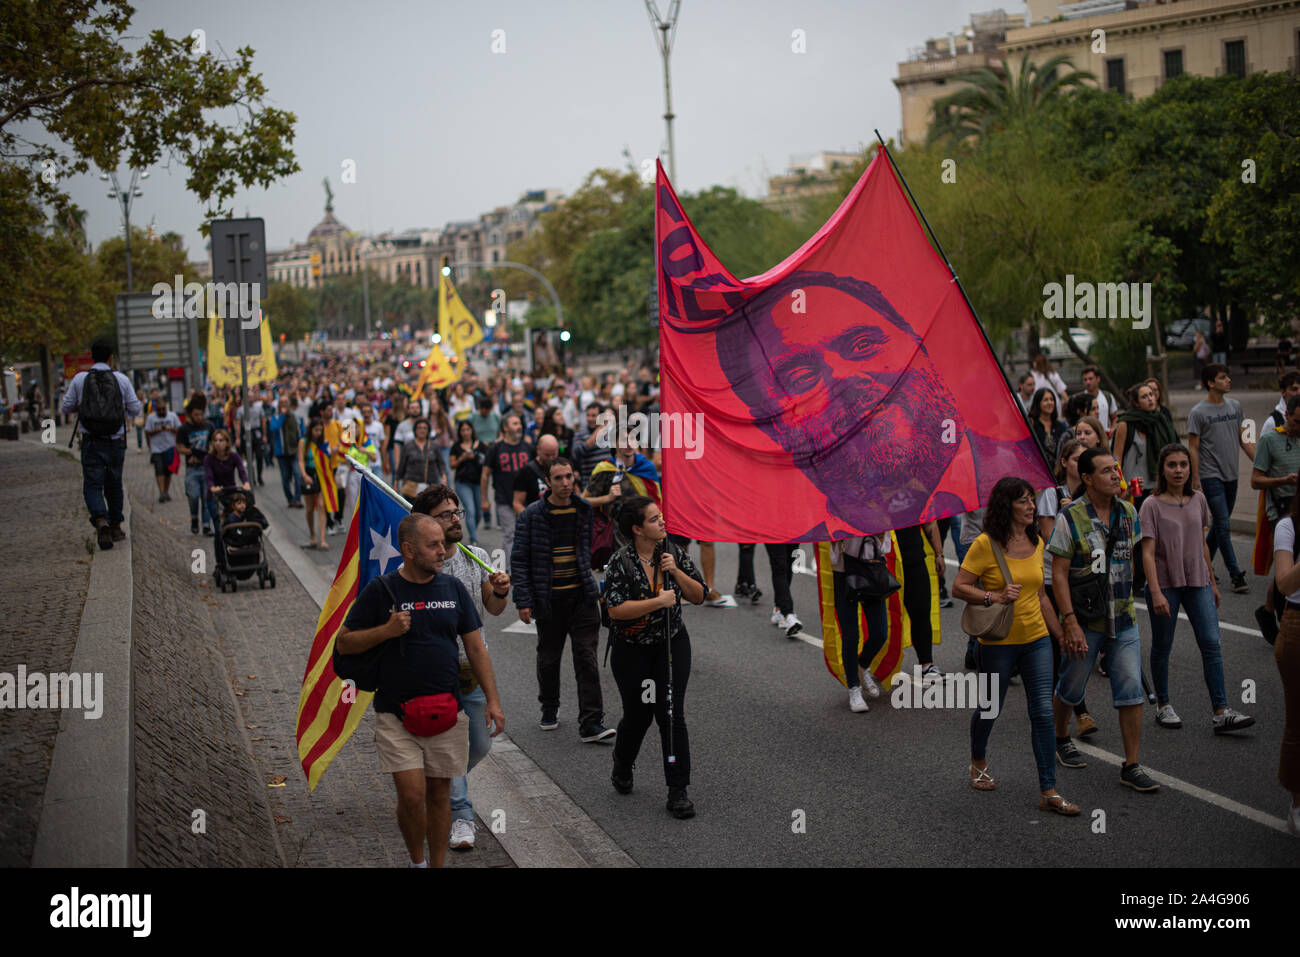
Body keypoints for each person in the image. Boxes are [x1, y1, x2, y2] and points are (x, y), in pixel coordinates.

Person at [713, 272, 1045, 537]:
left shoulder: (1022, 473)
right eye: (801, 377)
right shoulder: (805, 534)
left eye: (863, 344)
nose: (844, 377)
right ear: (776, 428)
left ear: (919, 346)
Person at [335, 513, 504, 868]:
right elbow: (345, 643)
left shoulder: (453, 589)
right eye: (434, 545)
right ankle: (417, 861)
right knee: (412, 796)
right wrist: (386, 630)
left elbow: (475, 648)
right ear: (409, 550)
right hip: (396, 713)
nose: (444, 551)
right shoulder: (381, 590)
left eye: (443, 543)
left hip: (447, 711)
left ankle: (437, 864)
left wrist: (492, 700)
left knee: (440, 796)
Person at [954, 477, 1076, 815]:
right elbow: (959, 587)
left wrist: (1061, 634)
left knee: (1042, 711)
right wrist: (992, 595)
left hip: (1036, 639)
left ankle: (1048, 790)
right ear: (1007, 506)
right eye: (1023, 501)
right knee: (991, 709)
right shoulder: (985, 544)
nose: (1031, 507)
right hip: (997, 643)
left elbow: (1040, 596)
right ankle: (978, 759)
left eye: (1032, 501)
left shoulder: (1037, 541)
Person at [1048, 448, 1160, 792]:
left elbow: (1143, 554)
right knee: (1071, 686)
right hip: (1086, 619)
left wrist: (1155, 589)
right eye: (1107, 471)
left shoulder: (1128, 512)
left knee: (1130, 691)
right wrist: (1069, 622)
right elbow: (1060, 574)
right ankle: (1059, 737)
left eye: (1116, 469)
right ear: (1086, 478)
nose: (1116, 475)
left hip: (1124, 618)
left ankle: (1132, 764)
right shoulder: (1070, 518)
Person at [410, 486, 512, 852]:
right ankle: (462, 816)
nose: (456, 518)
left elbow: (494, 610)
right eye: (446, 514)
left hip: (473, 672)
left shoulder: (476, 556)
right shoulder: (422, 566)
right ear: (426, 524)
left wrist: (499, 591)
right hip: (436, 676)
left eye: (457, 512)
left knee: (480, 744)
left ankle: (438, 785)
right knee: (450, 750)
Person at [1141, 443, 1254, 734]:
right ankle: (1163, 705)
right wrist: (1154, 592)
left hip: (1198, 582)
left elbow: (1202, 543)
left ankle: (1221, 711)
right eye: (1172, 465)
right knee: (1162, 646)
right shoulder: (1151, 505)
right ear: (1163, 469)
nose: (1178, 470)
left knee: (1211, 643)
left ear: (1190, 468)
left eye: (1183, 465)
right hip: (1166, 584)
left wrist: (1213, 584)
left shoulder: (1199, 500)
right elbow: (1147, 553)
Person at [604, 496, 706, 818]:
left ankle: (678, 790)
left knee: (670, 714)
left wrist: (676, 572)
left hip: (671, 644)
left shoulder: (672, 552)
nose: (662, 523)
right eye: (653, 520)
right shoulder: (620, 561)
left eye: (661, 517)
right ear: (637, 529)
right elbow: (615, 610)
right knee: (639, 714)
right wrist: (657, 602)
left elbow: (699, 595)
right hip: (632, 650)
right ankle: (622, 762)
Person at [511, 456, 614, 742]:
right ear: (548, 482)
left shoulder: (583, 508)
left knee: (587, 657)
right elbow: (519, 559)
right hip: (549, 599)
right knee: (548, 658)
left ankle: (592, 722)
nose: (566, 483)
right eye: (558, 478)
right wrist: (523, 600)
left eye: (569, 476)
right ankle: (549, 706)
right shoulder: (532, 514)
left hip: (582, 596)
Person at [1036, 438, 1098, 737]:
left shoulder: (1092, 493)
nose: (1082, 463)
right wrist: (1068, 513)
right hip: (1053, 578)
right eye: (1077, 458)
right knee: (1060, 644)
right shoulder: (1052, 493)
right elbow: (1051, 539)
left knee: (1079, 644)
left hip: (1084, 579)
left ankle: (1066, 705)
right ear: (1064, 462)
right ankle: (1077, 711)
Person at [61, 340, 142, 549]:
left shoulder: (80, 379)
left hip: (91, 441)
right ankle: (115, 525)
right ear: (111, 358)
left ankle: (100, 519)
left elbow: (66, 407)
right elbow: (135, 408)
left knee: (93, 483)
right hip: (115, 441)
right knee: (114, 483)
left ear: (91, 357)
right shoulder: (121, 379)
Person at [1188, 363, 1255, 594]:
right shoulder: (1198, 412)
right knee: (1224, 525)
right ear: (1210, 383)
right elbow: (1193, 448)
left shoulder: (1236, 406)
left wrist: (1262, 464)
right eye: (1223, 377)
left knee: (1219, 524)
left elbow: (1245, 439)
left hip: (1232, 474)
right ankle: (1236, 574)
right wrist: (1195, 480)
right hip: (1210, 475)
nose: (1229, 380)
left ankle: (1201, 563)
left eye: (1228, 376)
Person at [1250, 393, 1300, 642]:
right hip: (1281, 511)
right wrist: (1284, 480)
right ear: (1287, 416)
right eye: (1296, 422)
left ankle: (1268, 610)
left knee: (1291, 570)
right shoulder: (1270, 440)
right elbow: (1255, 480)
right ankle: (1286, 622)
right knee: (1288, 568)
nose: (1299, 428)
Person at [828, 533, 893, 711]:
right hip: (843, 572)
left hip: (871, 569)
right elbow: (831, 546)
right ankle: (854, 688)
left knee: (880, 633)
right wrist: (840, 533)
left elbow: (885, 546)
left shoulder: (876, 507)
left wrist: (876, 530)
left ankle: (863, 665)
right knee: (850, 635)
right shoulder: (837, 508)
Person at [1268, 495, 1300, 835]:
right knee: (1297, 723)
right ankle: (1297, 805)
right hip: (1297, 626)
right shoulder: (1288, 527)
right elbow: (1285, 583)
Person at [1113, 381, 1178, 500]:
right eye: (1144, 397)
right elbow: (1117, 457)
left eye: (1151, 394)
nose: (1150, 399)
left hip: (1157, 486)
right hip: (1134, 487)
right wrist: (1119, 485)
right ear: (1136, 403)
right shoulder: (1126, 423)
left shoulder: (1161, 421)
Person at [177, 397, 217, 535]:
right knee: (193, 495)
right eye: (196, 415)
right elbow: (180, 447)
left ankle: (206, 525)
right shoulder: (184, 429)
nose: (199, 417)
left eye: (201, 414)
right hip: (192, 468)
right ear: (190, 415)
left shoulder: (209, 426)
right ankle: (194, 518)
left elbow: (214, 442)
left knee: (207, 497)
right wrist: (192, 452)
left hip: (206, 467)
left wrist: (210, 453)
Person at [449, 421, 488, 547]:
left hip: (478, 482)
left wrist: (474, 457)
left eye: (468, 429)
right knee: (470, 510)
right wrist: (462, 458)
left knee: (479, 513)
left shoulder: (481, 445)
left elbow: (486, 463)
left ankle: (473, 531)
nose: (466, 432)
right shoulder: (456, 446)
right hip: (462, 482)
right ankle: (473, 538)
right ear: (460, 432)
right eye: (463, 430)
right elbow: (452, 465)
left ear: (472, 431)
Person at [297, 417, 331, 551]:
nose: (318, 433)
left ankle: (322, 539)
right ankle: (312, 534)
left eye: (320, 430)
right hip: (309, 474)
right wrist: (304, 475)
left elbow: (328, 457)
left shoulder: (323, 442)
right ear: (310, 430)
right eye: (316, 430)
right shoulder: (303, 442)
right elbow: (300, 460)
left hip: (321, 475)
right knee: (310, 508)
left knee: (322, 506)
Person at [395, 417, 444, 501]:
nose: (422, 430)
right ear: (415, 430)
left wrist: (444, 477)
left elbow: (441, 464)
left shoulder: (434, 446)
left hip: (430, 487)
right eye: (419, 428)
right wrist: (396, 482)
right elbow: (402, 466)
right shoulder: (408, 446)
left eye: (425, 428)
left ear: (428, 430)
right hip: (411, 487)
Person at [512, 434, 559, 519]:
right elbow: (517, 503)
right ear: (538, 450)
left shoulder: (562, 468)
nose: (551, 458)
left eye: (554, 454)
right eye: (547, 455)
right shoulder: (526, 471)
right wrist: (530, 520)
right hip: (536, 520)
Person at [144, 395, 181, 504]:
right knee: (159, 469)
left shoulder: (172, 416)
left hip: (170, 447)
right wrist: (157, 430)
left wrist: (171, 429)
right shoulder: (151, 418)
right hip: (156, 448)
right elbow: (147, 431)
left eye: (163, 409)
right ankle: (161, 493)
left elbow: (179, 429)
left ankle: (166, 491)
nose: (161, 411)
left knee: (168, 471)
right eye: (159, 409)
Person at [269, 395, 303, 509]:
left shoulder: (296, 416)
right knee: (285, 477)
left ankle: (297, 499)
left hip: (294, 451)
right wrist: (282, 416)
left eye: (285, 402)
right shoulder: (276, 417)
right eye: (281, 402)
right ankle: (290, 499)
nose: (283, 404)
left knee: (298, 475)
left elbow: (301, 432)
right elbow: (274, 428)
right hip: (281, 452)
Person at [765, 543, 803, 637]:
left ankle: (779, 609)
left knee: (788, 564)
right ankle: (788, 614)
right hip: (772, 530)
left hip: (791, 530)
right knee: (779, 566)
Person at [1029, 388, 1067, 462]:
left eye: (1052, 399)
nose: (1049, 403)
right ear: (1038, 403)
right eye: (1045, 400)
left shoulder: (1060, 426)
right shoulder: (1032, 425)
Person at [1080, 365, 1118, 433]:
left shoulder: (1107, 396)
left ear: (1098, 379)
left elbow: (1115, 418)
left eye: (1090, 379)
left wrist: (1112, 430)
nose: (1088, 382)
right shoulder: (1080, 399)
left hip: (1106, 440)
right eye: (1085, 380)